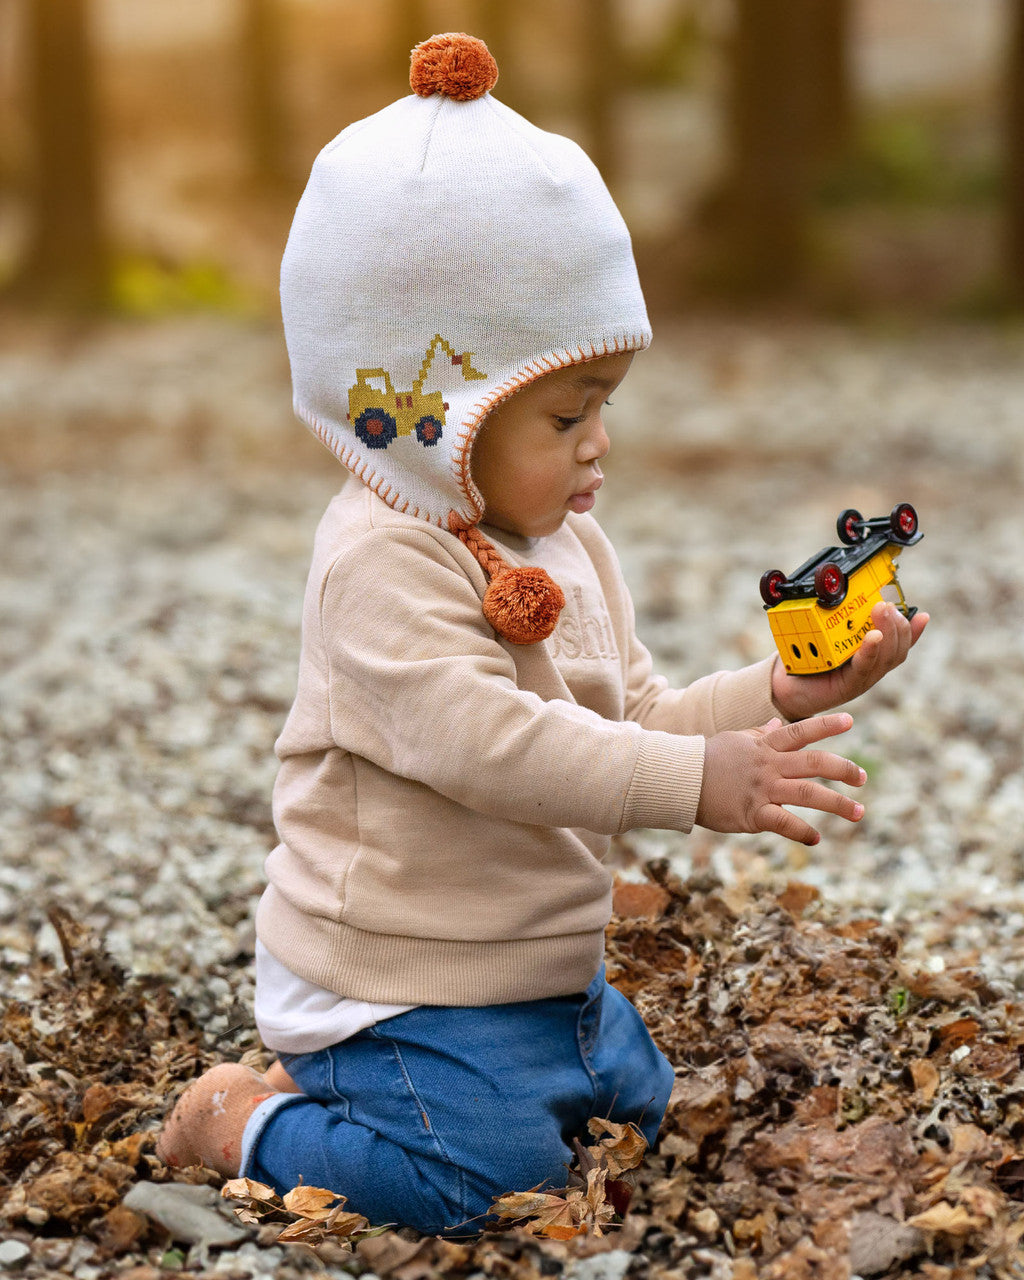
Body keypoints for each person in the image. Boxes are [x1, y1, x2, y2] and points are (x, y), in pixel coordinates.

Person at [157, 34, 927, 1234]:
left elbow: (634, 718)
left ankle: (499, 1067)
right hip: (394, 979)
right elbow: (494, 746)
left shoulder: (565, 542)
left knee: (642, 1116)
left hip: (531, 963)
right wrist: (698, 783)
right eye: (566, 412)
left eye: (605, 407)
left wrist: (774, 695)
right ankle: (247, 1118)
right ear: (435, 421)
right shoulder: (381, 558)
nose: (597, 445)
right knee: (486, 1184)